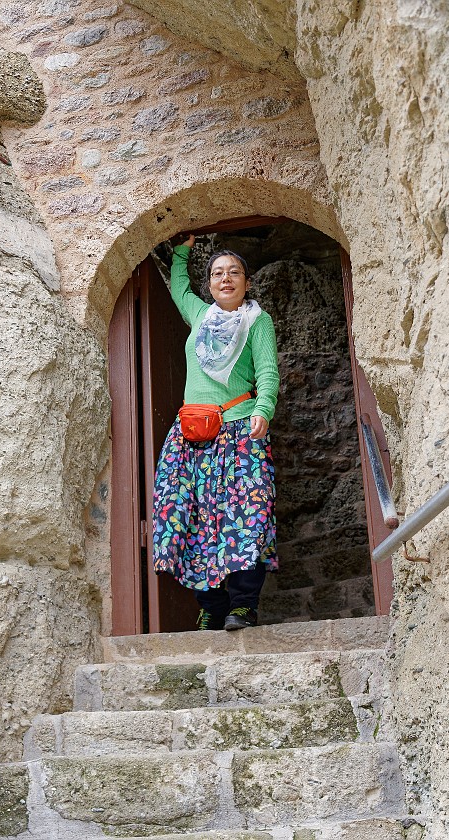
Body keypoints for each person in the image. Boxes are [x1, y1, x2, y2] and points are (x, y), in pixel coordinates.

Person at [152, 234, 280, 631]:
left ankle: (242, 605)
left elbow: (268, 372)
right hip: (191, 435)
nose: (226, 279)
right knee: (186, 515)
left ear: (247, 281)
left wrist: (263, 410)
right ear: (209, 284)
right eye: (217, 274)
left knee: (247, 515)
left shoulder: (257, 321)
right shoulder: (199, 314)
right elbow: (178, 286)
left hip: (241, 428)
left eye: (234, 273)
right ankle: (210, 604)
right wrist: (182, 252)